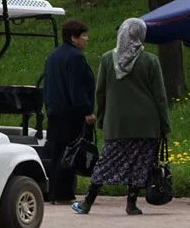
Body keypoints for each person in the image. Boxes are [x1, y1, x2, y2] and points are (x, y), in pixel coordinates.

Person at [72, 18, 170, 216]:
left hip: (117, 123)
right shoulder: (150, 61)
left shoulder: (108, 59)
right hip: (146, 123)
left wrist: (100, 117)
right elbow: (160, 97)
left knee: (107, 162)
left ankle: (87, 202)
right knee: (140, 162)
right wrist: (165, 125)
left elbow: (100, 92)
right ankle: (131, 204)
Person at [41, 18, 96, 204]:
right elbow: (77, 88)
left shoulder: (53, 56)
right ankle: (65, 193)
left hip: (54, 111)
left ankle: (54, 192)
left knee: (57, 152)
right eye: (83, 36)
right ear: (73, 38)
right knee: (70, 152)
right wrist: (87, 110)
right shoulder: (76, 57)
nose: (86, 39)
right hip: (71, 113)